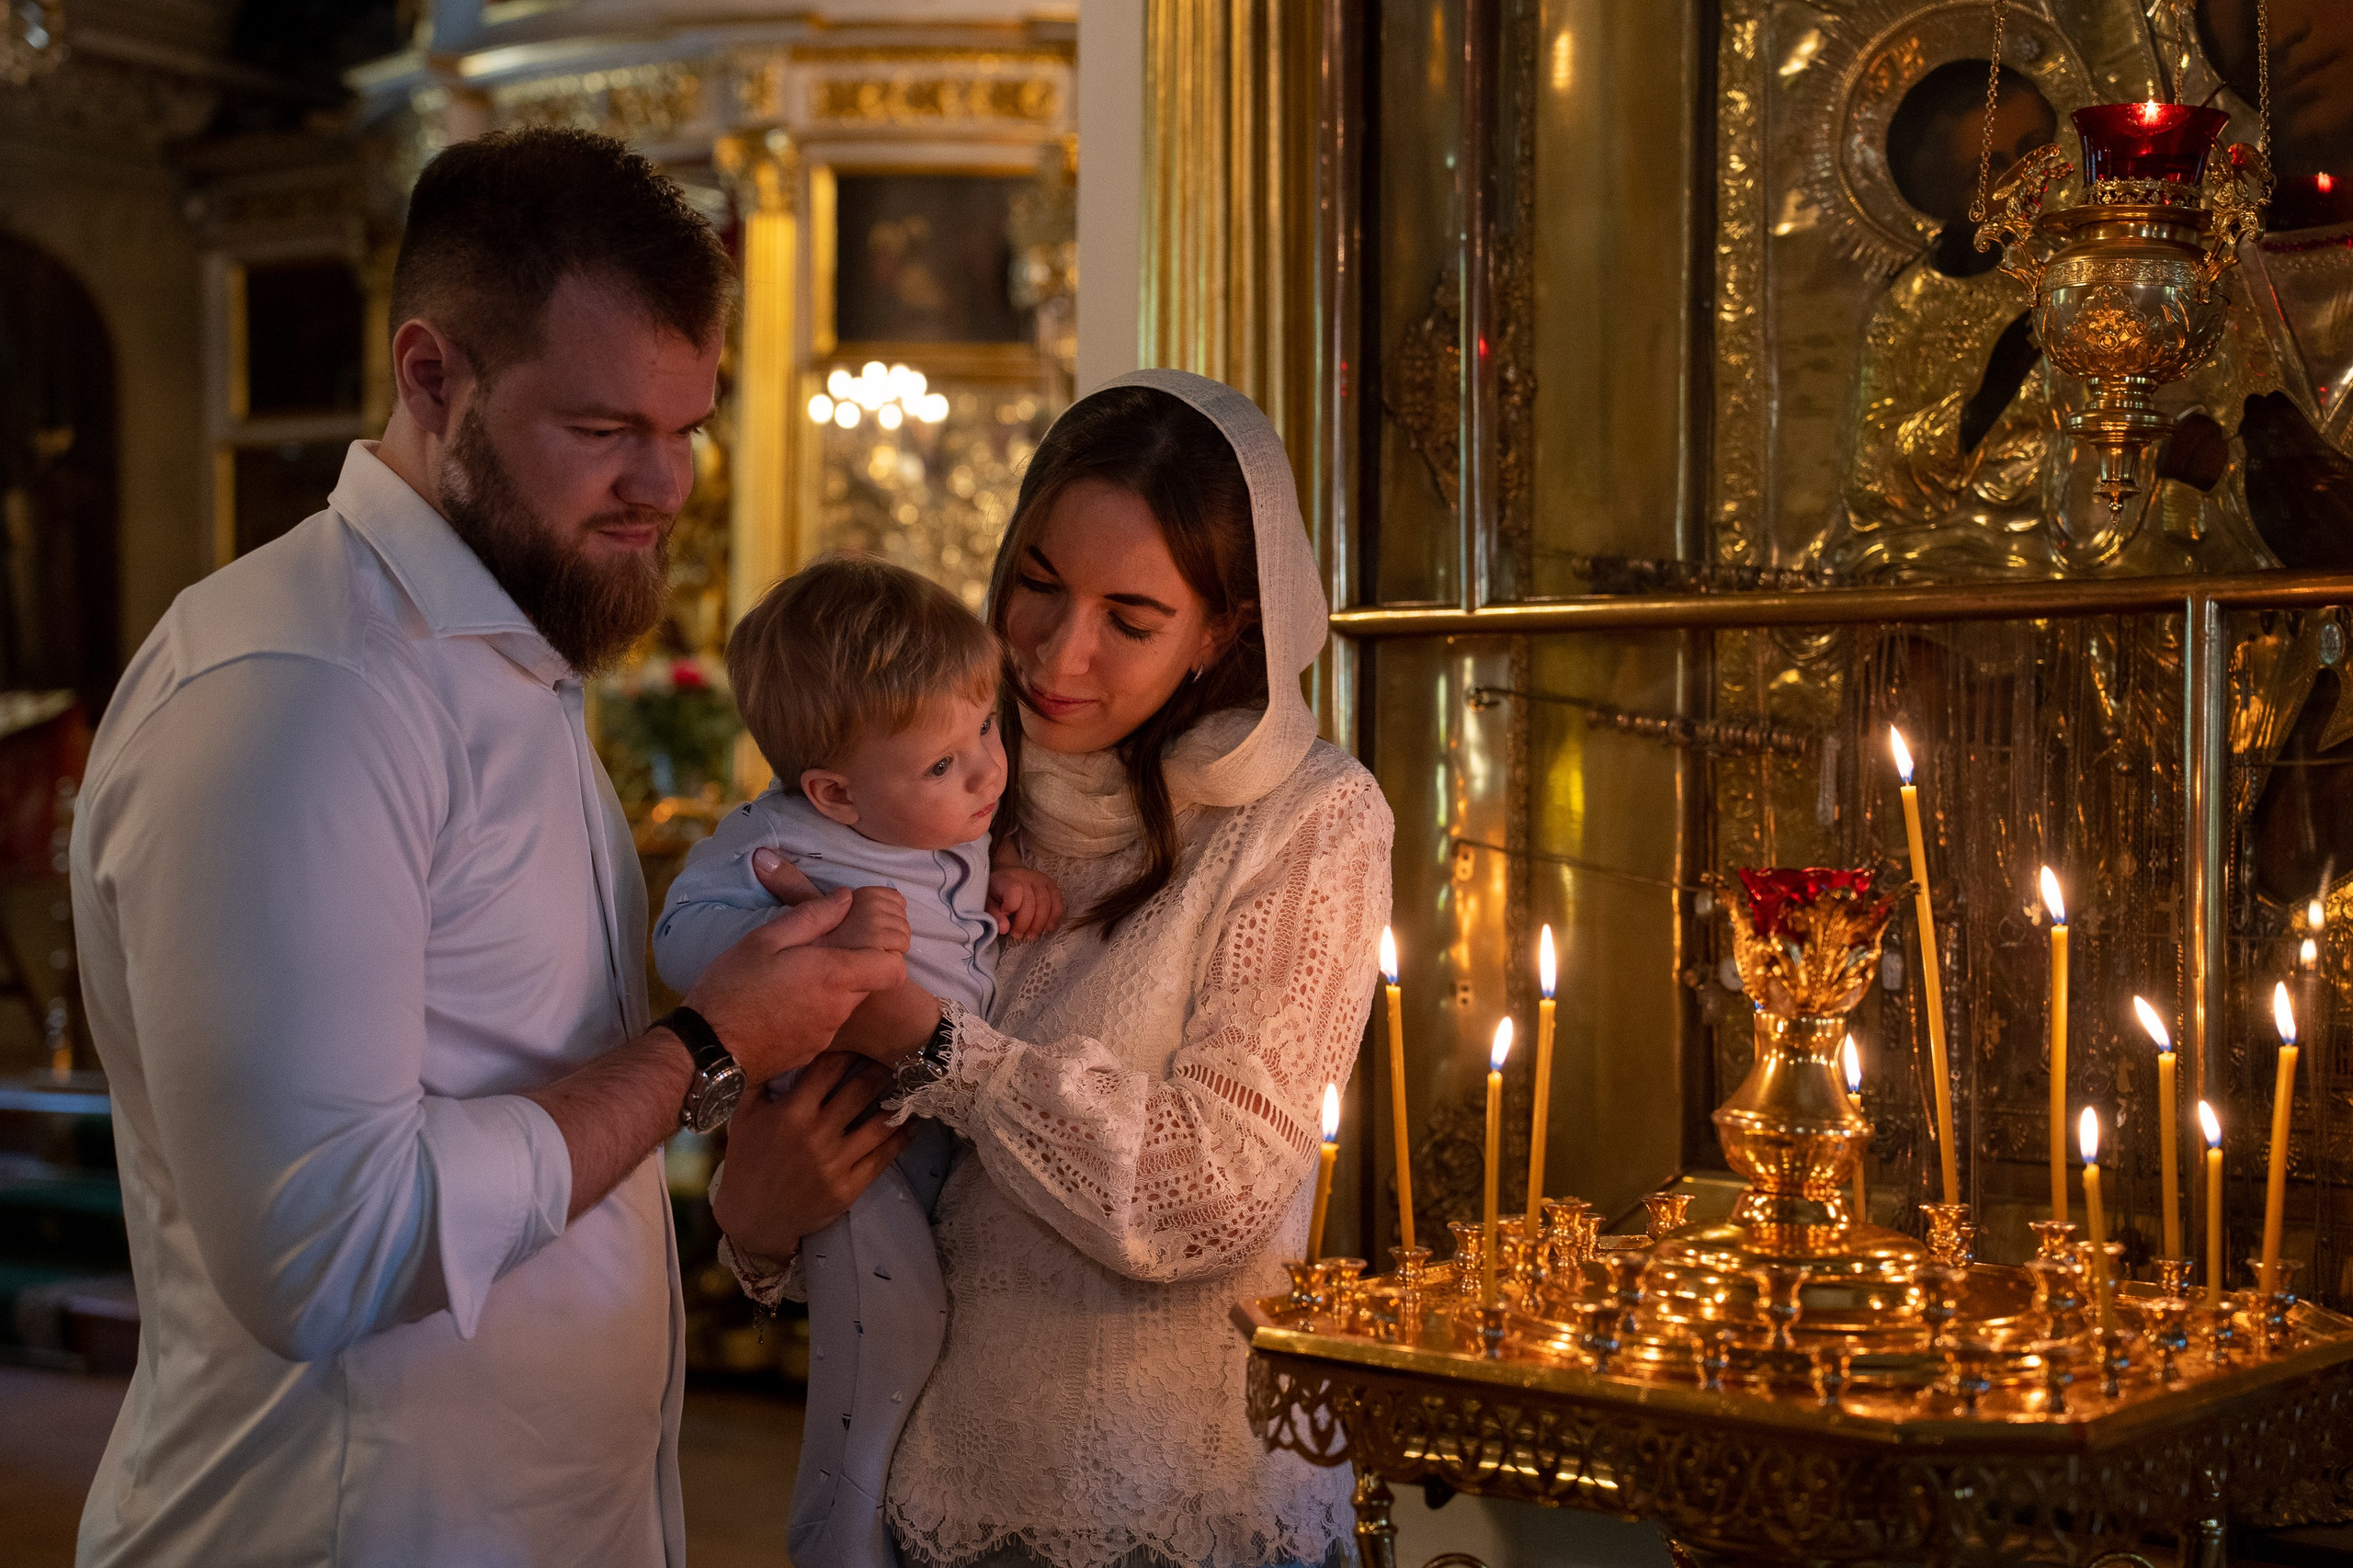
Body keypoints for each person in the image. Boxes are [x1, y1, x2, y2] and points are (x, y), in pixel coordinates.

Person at [67, 127, 905, 1567]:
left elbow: (518, 1081)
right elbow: (324, 1246)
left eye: (689, 424)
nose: (668, 484)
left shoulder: (512, 651)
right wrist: (709, 1045)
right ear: (433, 376)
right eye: (602, 431)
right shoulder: (305, 691)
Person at [715, 369, 1396, 1568]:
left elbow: (1215, 1188)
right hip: (925, 1499)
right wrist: (754, 1216)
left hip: (1171, 1508)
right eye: (1037, 584)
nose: (1057, 651)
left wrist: (936, 1044)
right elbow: (818, 1122)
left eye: (1130, 620)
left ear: (1225, 631)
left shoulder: (1305, 818)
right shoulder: (928, 782)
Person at [652, 553, 1063, 1568]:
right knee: (890, 1341)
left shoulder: (946, 820)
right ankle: (838, 1540)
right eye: (943, 763)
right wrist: (827, 953)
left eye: (985, 729)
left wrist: (1006, 881)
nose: (984, 771)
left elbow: (958, 890)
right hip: (846, 1138)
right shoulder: (780, 840)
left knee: (938, 1334)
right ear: (835, 791)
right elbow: (680, 937)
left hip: (938, 1127)